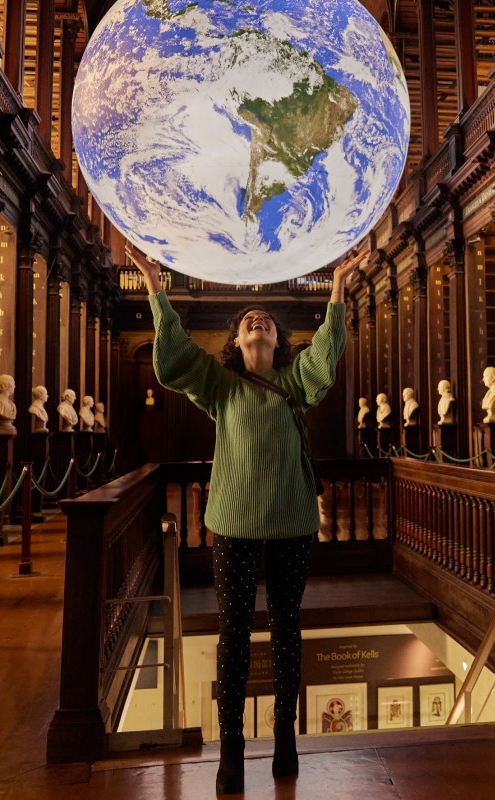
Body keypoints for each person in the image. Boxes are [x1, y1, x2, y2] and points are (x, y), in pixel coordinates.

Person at [126, 244, 364, 795]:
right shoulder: (220, 386)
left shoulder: (296, 381)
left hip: (292, 519)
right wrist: (153, 284)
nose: (258, 322)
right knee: (233, 632)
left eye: (267, 323)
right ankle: (230, 746)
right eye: (247, 323)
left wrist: (337, 288)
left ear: (279, 341)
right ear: (235, 342)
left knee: (286, 626)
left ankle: (285, 737)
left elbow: (326, 358)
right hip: (233, 520)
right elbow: (177, 359)